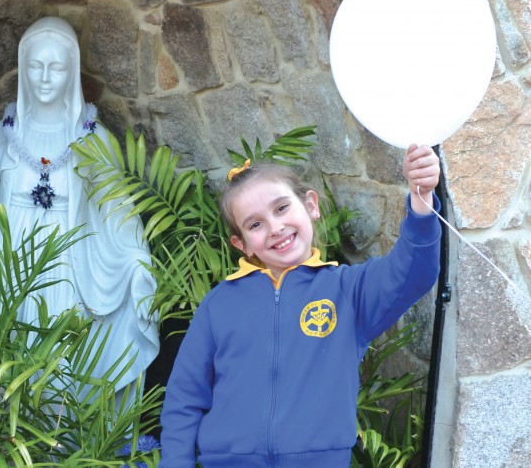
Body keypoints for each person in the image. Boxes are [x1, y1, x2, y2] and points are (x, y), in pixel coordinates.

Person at [158, 146, 442, 467]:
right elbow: (184, 399)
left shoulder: (348, 291)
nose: (275, 227)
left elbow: (414, 271)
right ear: (242, 245)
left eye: (281, 208)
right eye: (255, 225)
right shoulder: (219, 304)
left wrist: (421, 200)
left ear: (311, 206)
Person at [0, 16, 159, 397]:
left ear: (72, 72)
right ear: (22, 69)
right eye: (35, 66)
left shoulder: (94, 139)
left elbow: (118, 211)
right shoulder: (5, 135)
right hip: (7, 262)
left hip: (67, 262)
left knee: (61, 354)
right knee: (4, 347)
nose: (45, 77)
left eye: (57, 67)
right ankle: (1, 439)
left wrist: (137, 260)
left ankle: (63, 440)